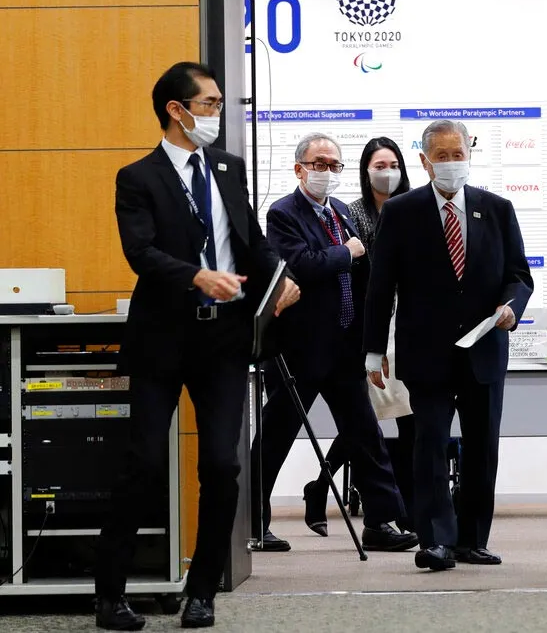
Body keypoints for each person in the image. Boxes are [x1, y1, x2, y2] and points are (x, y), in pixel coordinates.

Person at [95, 61, 300, 630]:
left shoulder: (228, 168)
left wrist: (281, 277)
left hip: (225, 339)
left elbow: (250, 240)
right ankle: (110, 595)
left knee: (222, 464)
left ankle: (202, 589)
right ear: (176, 111)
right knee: (141, 462)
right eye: (208, 103)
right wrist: (196, 276)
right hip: (163, 337)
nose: (217, 113)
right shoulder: (137, 177)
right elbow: (140, 254)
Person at [363, 119, 533, 571]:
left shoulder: (497, 209)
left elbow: (519, 275)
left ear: (469, 154)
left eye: (458, 154)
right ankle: (435, 540)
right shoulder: (402, 211)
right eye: (442, 156)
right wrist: (373, 352)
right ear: (424, 161)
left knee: (482, 447)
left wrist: (511, 306)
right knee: (430, 445)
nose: (452, 163)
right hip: (426, 354)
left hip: (484, 351)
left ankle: (472, 539)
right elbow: (381, 287)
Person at [250, 133, 418, 554]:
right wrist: (346, 252)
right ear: (299, 168)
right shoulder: (283, 213)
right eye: (318, 163)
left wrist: (371, 340)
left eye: (333, 165)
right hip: (299, 350)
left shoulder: (341, 212)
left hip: (344, 346)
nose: (326, 172)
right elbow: (301, 266)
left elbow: (361, 278)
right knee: (277, 437)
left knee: (366, 434)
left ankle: (381, 521)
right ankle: (254, 522)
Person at [306, 136, 417, 533]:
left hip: (409, 324)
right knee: (368, 421)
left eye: (393, 165)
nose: (386, 173)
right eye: (378, 165)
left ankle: (402, 510)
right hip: (371, 328)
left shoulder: (414, 208)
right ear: (365, 170)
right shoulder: (352, 213)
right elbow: (355, 276)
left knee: (403, 419)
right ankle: (325, 488)